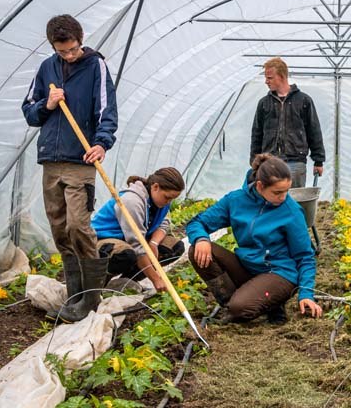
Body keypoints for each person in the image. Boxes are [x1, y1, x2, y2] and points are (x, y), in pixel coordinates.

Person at [22, 14, 118, 322]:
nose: (69, 55)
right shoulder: (46, 68)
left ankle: (91, 298)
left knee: (78, 225)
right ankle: (75, 295)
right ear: (53, 46)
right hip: (51, 158)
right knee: (60, 229)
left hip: (81, 159)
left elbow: (107, 110)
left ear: (81, 39)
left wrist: (101, 143)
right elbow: (29, 112)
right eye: (63, 51)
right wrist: (47, 104)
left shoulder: (95, 67)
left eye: (73, 49)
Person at [186, 154, 323, 324]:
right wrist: (201, 239)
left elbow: (305, 257)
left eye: (287, 190)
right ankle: (234, 305)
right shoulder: (236, 200)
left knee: (241, 307)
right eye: (277, 192)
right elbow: (197, 222)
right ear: (260, 185)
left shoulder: (291, 211)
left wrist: (306, 294)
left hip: (279, 273)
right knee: (197, 251)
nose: (284, 197)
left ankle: (260, 304)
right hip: (248, 266)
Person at [91, 167, 185, 293]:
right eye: (167, 197)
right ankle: (96, 286)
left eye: (172, 199)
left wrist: (153, 243)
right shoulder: (132, 201)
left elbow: (164, 223)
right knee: (126, 255)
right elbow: (137, 246)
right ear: (155, 187)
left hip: (131, 240)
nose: (169, 202)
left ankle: (125, 282)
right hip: (102, 240)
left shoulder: (160, 201)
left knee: (174, 247)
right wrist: (156, 279)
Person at [250, 57, 325, 188]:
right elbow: (257, 134)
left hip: (296, 162)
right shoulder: (264, 103)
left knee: (294, 200)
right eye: (266, 78)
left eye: (270, 78)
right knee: (271, 200)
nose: (266, 81)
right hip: (269, 162)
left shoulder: (303, 101)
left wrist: (318, 161)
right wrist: (254, 162)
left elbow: (314, 131)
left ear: (282, 76)